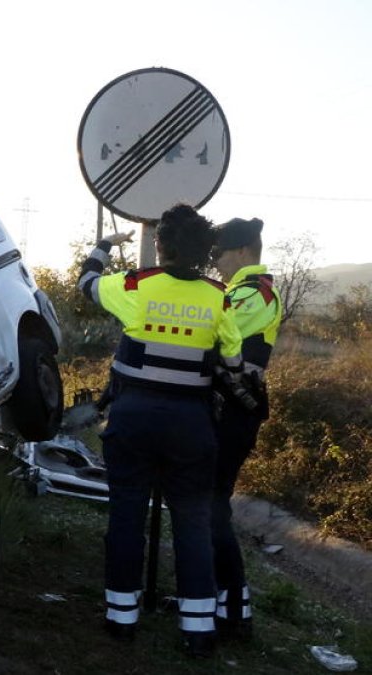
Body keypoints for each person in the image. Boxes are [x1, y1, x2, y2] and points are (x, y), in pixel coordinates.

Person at [76, 204, 249, 657]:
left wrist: (103, 248)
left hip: (133, 417)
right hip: (191, 424)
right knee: (192, 521)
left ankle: (121, 619)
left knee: (127, 514)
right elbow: (231, 359)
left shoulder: (136, 284)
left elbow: (87, 283)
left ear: (162, 245)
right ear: (204, 250)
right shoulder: (221, 296)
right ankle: (197, 630)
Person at [209, 217, 282, 640]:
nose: (215, 263)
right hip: (225, 409)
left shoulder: (255, 293)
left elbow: (211, 331)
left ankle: (235, 608)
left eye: (219, 255)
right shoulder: (238, 290)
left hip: (235, 411)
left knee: (212, 503)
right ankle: (211, 598)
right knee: (205, 503)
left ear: (241, 252)